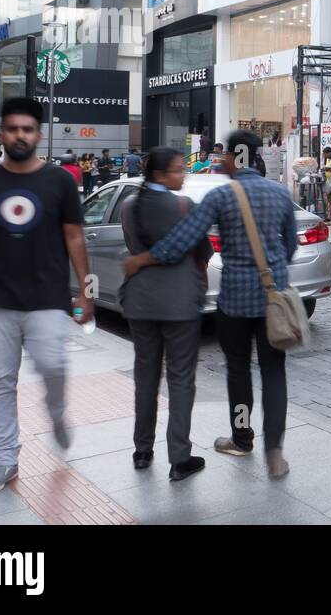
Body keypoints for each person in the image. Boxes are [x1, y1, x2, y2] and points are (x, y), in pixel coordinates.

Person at [121, 130, 298, 479]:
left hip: (234, 301)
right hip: (273, 299)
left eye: (225, 157)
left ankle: (242, 437)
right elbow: (290, 246)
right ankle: (274, 451)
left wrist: (142, 261)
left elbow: (181, 242)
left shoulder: (220, 196)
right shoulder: (280, 192)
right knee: (274, 373)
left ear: (234, 156)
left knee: (238, 370)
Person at [0, 97, 94, 495]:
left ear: (38, 134)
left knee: (53, 367)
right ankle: (5, 459)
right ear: (2, 133)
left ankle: (58, 415)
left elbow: (75, 238)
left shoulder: (59, 181)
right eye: (13, 128)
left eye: (27, 129)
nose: (20, 135)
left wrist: (87, 292)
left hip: (47, 298)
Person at [119, 147, 208, 482]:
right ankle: (179, 458)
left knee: (145, 376)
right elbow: (201, 253)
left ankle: (142, 451)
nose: (183, 174)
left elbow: (132, 246)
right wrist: (197, 288)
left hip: (140, 301)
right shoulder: (185, 206)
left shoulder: (129, 205)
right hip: (179, 302)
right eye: (177, 169)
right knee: (181, 379)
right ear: (159, 174)